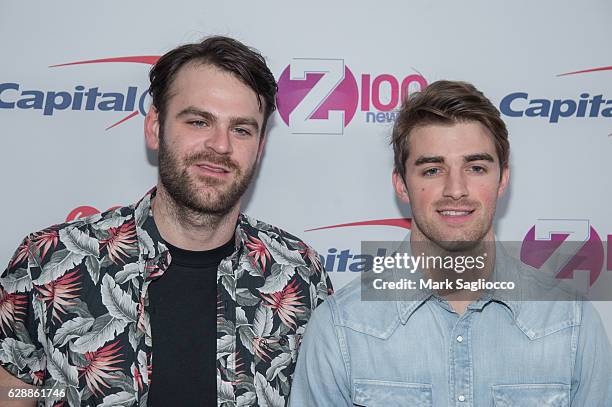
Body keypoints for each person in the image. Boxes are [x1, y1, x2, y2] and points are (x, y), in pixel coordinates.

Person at [0, 36, 332, 406]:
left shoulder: (300, 275)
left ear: (260, 145)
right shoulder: (46, 262)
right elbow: (12, 395)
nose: (221, 145)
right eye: (198, 121)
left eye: (241, 129)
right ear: (155, 128)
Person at [289, 80, 612, 406]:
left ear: (502, 180)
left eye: (475, 167)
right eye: (432, 170)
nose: (456, 189)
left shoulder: (570, 323)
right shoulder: (342, 327)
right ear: (401, 184)